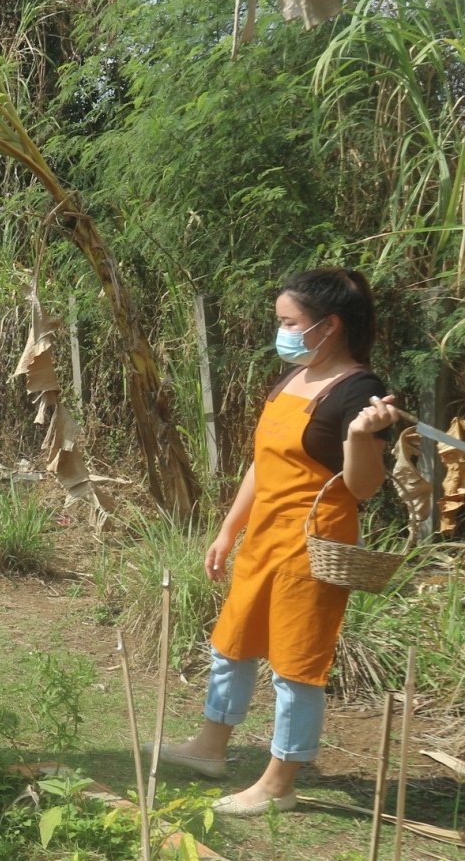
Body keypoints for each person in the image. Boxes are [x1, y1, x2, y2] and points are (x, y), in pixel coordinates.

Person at [161, 269, 405, 815]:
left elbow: (363, 487)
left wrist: (363, 436)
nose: (282, 332)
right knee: (232, 643)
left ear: (329, 325)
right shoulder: (293, 377)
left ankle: (279, 784)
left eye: (289, 322)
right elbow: (262, 463)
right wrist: (230, 527)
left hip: (313, 544)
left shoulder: (359, 391)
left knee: (297, 665)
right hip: (264, 535)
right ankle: (209, 747)